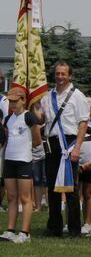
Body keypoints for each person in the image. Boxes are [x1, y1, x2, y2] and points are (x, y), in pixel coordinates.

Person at [40, 62, 90, 238]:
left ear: (70, 76)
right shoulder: (47, 96)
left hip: (68, 143)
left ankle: (75, 228)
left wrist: (77, 147)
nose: (60, 77)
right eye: (57, 73)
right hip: (52, 143)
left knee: (70, 188)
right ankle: (54, 226)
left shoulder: (77, 96)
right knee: (52, 186)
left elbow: (83, 123)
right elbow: (42, 118)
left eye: (63, 74)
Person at [1, 87, 41, 243]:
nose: (12, 104)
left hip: (24, 161)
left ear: (23, 100)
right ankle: (10, 229)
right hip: (9, 161)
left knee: (25, 197)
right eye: (10, 101)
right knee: (11, 196)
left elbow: (37, 140)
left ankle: (25, 233)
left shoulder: (29, 117)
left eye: (15, 101)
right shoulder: (8, 119)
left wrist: (25, 150)